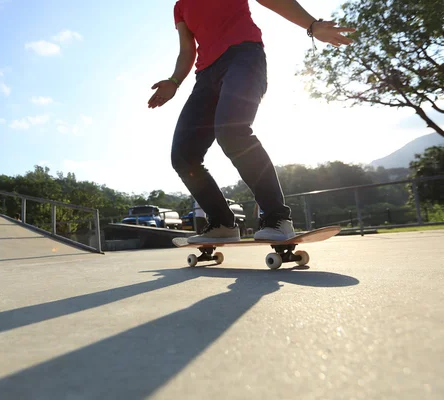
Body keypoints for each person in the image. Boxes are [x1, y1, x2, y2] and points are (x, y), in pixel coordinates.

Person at [148, 0, 354, 244]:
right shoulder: (180, 6)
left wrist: (311, 24)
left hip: (244, 58)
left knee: (232, 132)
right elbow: (187, 50)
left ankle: (278, 218)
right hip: (206, 77)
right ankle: (222, 223)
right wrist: (174, 81)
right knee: (183, 156)